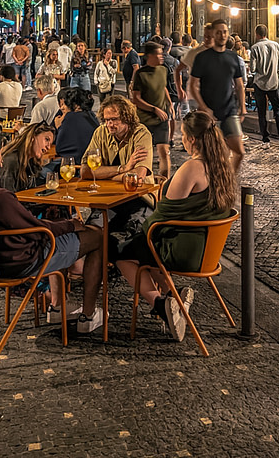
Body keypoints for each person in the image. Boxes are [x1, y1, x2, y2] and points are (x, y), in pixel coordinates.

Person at [0, 123, 105, 332]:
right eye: (0, 156)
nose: (1, 163)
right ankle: (88, 315)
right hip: (22, 260)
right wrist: (71, 225)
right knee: (97, 236)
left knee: (59, 225)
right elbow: (36, 228)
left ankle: (58, 307)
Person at [116, 111, 237, 341]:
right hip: (207, 249)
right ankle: (174, 296)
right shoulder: (223, 166)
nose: (180, 139)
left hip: (185, 250)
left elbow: (163, 214)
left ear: (192, 139)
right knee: (144, 252)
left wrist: (142, 228)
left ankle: (161, 305)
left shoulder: (192, 168)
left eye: (182, 134)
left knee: (122, 253)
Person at [188, 19, 247, 173]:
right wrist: (203, 107)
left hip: (230, 110)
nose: (222, 35)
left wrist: (243, 107)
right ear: (214, 34)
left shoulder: (233, 57)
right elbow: (193, 84)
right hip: (209, 114)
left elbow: (239, 85)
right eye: (219, 32)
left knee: (239, 151)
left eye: (225, 32)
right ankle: (209, 182)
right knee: (210, 154)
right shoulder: (202, 58)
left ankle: (229, 178)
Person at [80, 96, 153, 182]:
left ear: (127, 118)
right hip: (107, 190)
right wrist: (123, 168)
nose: (109, 125)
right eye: (107, 120)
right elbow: (85, 171)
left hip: (139, 191)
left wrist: (107, 177)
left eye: (114, 119)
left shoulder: (141, 134)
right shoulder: (101, 132)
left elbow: (137, 176)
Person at [131, 41, 173, 180]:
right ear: (150, 56)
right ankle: (142, 181)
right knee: (143, 154)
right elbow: (136, 98)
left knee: (164, 152)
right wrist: (154, 109)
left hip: (161, 119)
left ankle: (164, 184)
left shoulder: (163, 70)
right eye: (159, 54)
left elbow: (163, 87)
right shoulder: (140, 74)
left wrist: (169, 103)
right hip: (144, 120)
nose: (162, 56)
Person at [250, 24, 279, 147]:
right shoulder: (275, 45)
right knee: (277, 109)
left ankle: (265, 139)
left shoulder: (255, 48)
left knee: (261, 111)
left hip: (259, 82)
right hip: (273, 82)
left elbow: (253, 68)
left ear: (257, 34)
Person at [0, 122, 56, 192]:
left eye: (50, 144)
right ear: (33, 136)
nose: (48, 147)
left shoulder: (31, 162)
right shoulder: (11, 160)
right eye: (47, 139)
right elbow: (7, 197)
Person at [55, 88, 100, 163]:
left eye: (66, 104)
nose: (63, 107)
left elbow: (59, 149)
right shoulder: (92, 116)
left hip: (76, 164)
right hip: (92, 161)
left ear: (76, 106)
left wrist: (59, 127)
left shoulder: (70, 117)